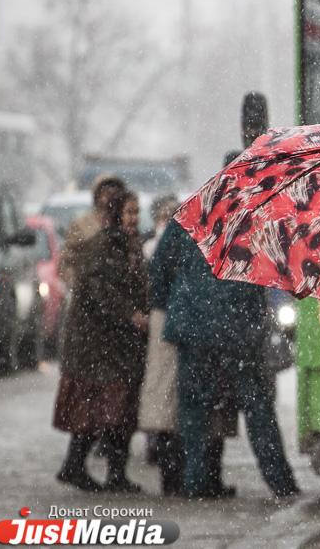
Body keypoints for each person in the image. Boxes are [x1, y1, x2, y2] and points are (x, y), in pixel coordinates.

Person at [152, 219, 299, 500]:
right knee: (258, 408)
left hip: (193, 327)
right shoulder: (254, 224)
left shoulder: (188, 219)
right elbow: (272, 273)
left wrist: (172, 302)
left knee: (194, 408)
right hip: (238, 329)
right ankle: (280, 481)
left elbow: (159, 269)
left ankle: (194, 480)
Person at [53, 189, 149, 493]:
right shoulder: (104, 246)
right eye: (129, 212)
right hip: (97, 345)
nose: (134, 219)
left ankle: (114, 473)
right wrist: (129, 314)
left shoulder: (130, 246)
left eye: (136, 212)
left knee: (120, 412)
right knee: (99, 410)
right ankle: (75, 466)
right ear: (115, 215)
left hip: (118, 344)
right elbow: (98, 291)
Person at [138, 196, 185, 495]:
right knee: (167, 400)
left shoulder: (168, 242)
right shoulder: (171, 240)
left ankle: (172, 470)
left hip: (168, 319)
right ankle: (172, 472)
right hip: (169, 320)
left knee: (166, 400)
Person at [58, 175, 126, 287]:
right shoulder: (81, 224)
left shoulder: (125, 224)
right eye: (106, 193)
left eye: (116, 193)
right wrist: (77, 284)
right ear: (97, 196)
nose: (111, 198)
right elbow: (67, 260)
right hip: (89, 290)